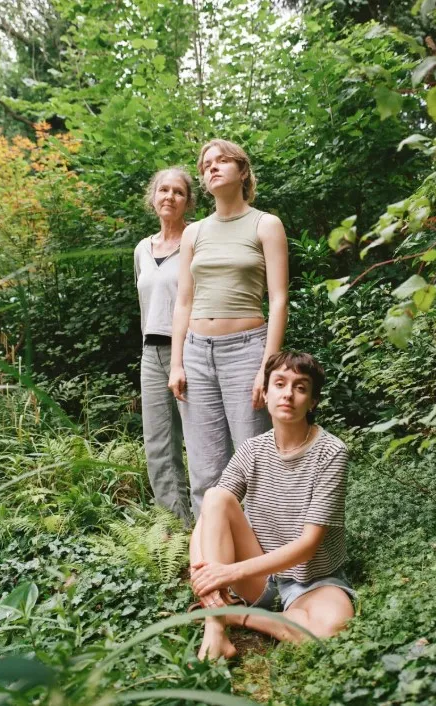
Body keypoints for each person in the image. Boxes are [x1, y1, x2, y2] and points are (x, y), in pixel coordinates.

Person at [189, 351, 355, 660]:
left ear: (313, 401)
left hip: (315, 581)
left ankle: (235, 614)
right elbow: (210, 515)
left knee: (331, 631)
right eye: (279, 384)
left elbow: (307, 546)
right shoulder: (252, 450)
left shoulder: (331, 452)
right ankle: (215, 630)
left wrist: (225, 573)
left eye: (301, 387)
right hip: (260, 577)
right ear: (265, 393)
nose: (289, 394)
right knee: (215, 497)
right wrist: (204, 577)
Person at [169, 139, 289, 517]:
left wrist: (267, 370)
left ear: (242, 171)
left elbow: (279, 299)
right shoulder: (193, 233)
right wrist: (176, 363)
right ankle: (213, 566)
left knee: (255, 461)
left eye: (222, 161)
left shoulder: (265, 224)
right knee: (205, 470)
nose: (213, 168)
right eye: (206, 165)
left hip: (247, 351)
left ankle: (267, 571)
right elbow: (183, 302)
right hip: (196, 354)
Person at [134, 167, 194, 524]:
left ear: (188, 201)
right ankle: (179, 527)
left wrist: (185, 357)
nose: (169, 196)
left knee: (203, 442)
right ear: (153, 197)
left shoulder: (197, 239)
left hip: (191, 350)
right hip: (151, 353)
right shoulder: (143, 248)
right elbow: (147, 304)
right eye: (163, 190)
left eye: (178, 191)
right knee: (158, 446)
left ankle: (217, 529)